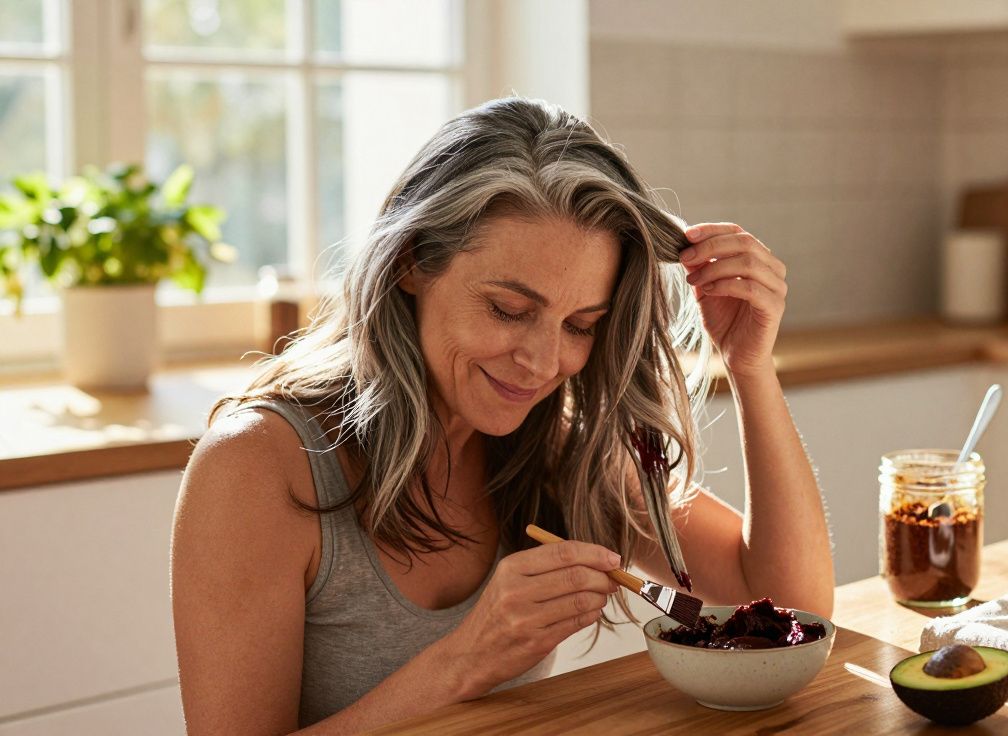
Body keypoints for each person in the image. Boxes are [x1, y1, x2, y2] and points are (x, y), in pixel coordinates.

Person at [171, 97, 834, 734]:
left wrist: (751, 367)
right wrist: (465, 659)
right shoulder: (255, 467)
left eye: (580, 325)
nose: (545, 362)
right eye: (508, 310)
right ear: (410, 263)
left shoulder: (559, 450)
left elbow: (789, 608)